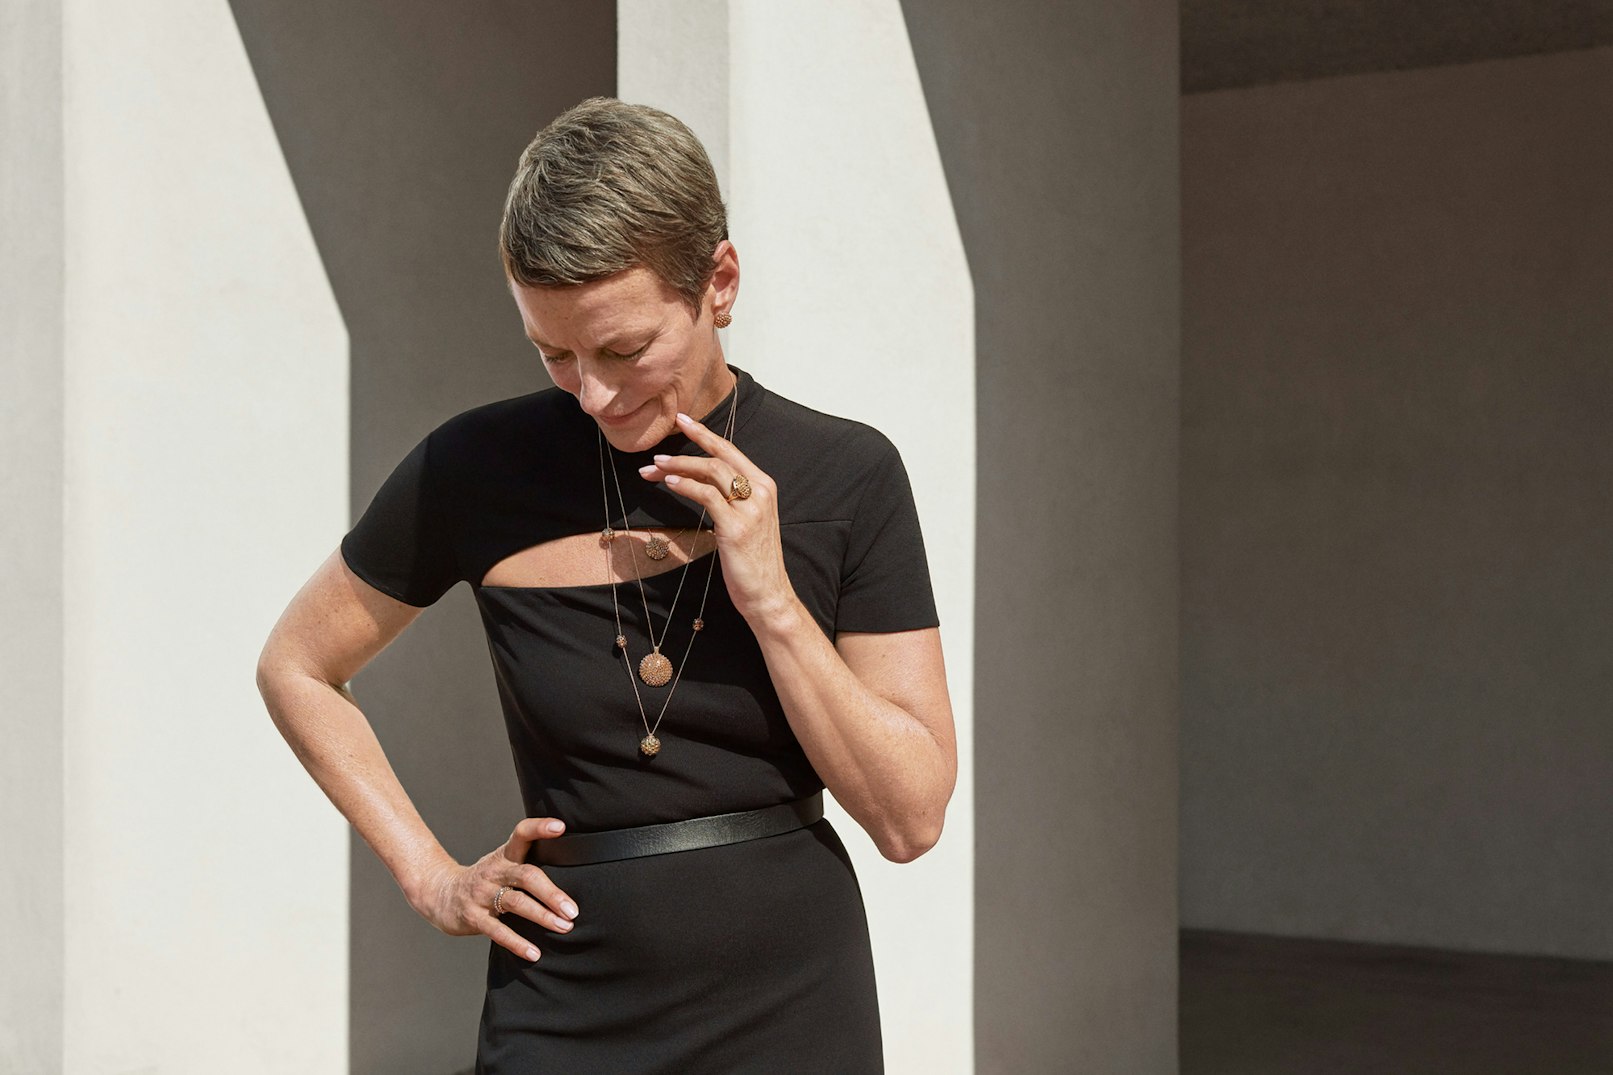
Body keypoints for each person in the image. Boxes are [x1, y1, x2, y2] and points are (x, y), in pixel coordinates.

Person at [255, 96, 957, 1073]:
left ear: (718, 281)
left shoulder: (847, 474)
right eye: (554, 355)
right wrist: (429, 876)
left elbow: (910, 815)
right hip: (562, 1002)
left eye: (623, 350)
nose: (592, 392)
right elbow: (295, 666)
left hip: (792, 1005)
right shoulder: (472, 468)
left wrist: (772, 602)